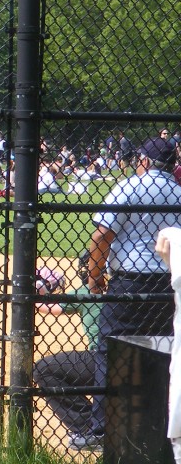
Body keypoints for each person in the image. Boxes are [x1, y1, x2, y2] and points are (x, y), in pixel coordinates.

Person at [77, 136, 181, 452]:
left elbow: (101, 235)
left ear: (144, 162)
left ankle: (100, 430)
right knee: (164, 354)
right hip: (168, 286)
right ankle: (161, 427)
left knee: (109, 351)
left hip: (128, 284)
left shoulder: (129, 187)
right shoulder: (179, 192)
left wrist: (95, 278)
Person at [33, 253, 104, 451]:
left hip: (101, 359)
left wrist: (33, 295)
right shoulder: (132, 289)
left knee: (43, 369)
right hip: (141, 358)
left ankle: (88, 428)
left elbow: (50, 308)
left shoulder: (86, 291)